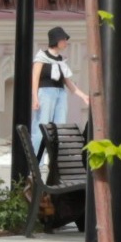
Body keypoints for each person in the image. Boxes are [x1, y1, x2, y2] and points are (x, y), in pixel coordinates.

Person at [32, 26, 86, 170]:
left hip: (60, 94)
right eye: (63, 40)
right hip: (45, 92)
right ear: (56, 40)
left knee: (59, 126)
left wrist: (83, 96)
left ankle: (55, 159)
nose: (66, 43)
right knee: (41, 125)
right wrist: (35, 98)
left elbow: (68, 82)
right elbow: (35, 78)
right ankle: (37, 160)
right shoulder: (41, 57)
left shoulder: (61, 60)